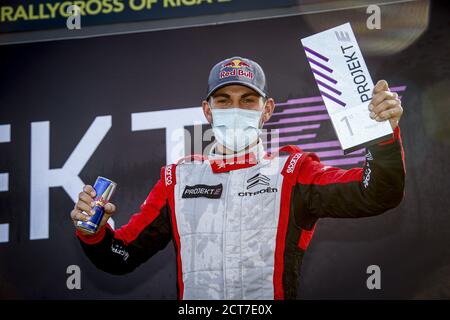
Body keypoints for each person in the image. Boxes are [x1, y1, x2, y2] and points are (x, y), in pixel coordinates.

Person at [70, 56, 405, 299]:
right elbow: (121, 256)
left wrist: (382, 136)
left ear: (267, 109)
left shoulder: (293, 171)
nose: (235, 109)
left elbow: (376, 193)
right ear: (207, 109)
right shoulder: (178, 179)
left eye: (248, 100)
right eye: (223, 100)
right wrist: (94, 231)